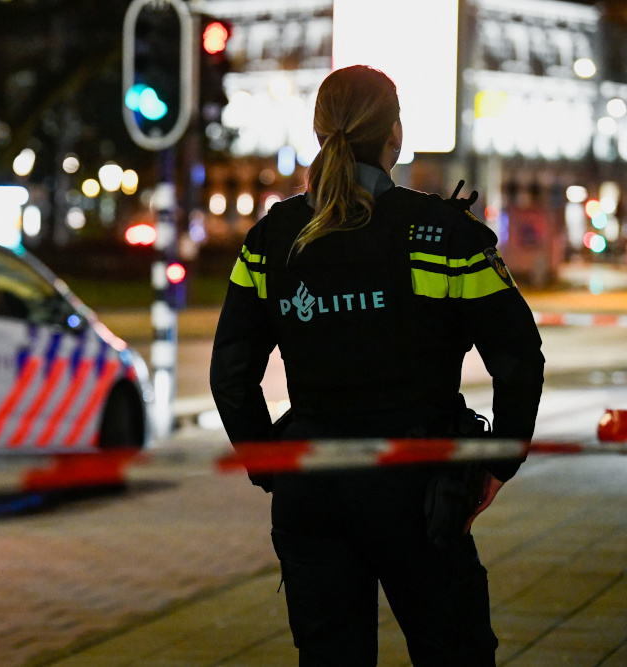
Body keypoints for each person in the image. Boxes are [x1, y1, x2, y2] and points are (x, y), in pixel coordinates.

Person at [209, 65, 544, 666]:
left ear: (318, 131)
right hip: (419, 489)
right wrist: (499, 462)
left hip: (311, 488)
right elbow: (519, 356)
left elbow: (231, 374)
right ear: (395, 135)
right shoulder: (443, 235)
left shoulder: (271, 240)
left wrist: (270, 464)